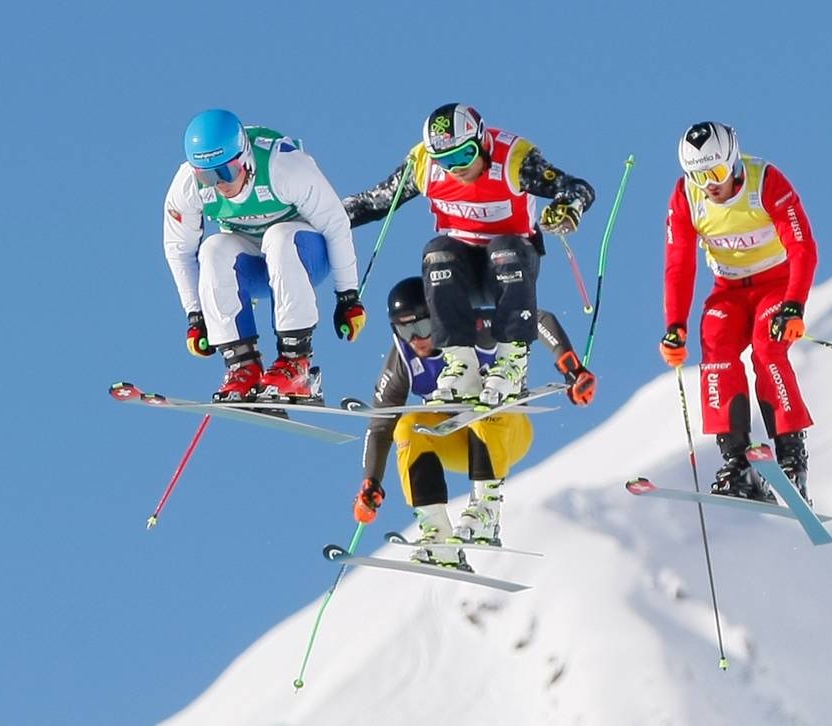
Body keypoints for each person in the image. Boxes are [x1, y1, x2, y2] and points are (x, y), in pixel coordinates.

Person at [343, 103, 595, 406]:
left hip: (510, 268)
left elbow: (577, 188)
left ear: (483, 142)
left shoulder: (513, 161)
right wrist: (320, 217)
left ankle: (511, 361)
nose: (456, 168)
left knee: (505, 247)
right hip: (463, 275)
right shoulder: (424, 165)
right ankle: (460, 364)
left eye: (464, 155)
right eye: (445, 160)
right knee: (437, 251)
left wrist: (566, 209)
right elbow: (375, 201)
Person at [350, 277, 596, 569]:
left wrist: (572, 369)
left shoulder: (475, 327)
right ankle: (437, 534)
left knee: (483, 405)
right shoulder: (404, 358)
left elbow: (539, 319)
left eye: (423, 326)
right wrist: (371, 482)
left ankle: (486, 514)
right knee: (407, 425)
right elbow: (380, 426)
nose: (416, 339)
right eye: (406, 329)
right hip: (459, 443)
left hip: (507, 434)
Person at [660, 122, 818, 502]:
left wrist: (794, 304)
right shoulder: (688, 196)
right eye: (698, 176)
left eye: (714, 173)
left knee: (768, 349)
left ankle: (791, 455)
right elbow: (679, 263)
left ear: (733, 162)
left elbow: (802, 246)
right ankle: (736, 462)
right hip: (729, 290)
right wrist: (675, 326)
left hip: (775, 285)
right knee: (716, 348)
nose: (709, 184)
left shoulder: (765, 182)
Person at [163, 109, 366, 404]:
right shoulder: (188, 186)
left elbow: (336, 224)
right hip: (255, 268)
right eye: (207, 175)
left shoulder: (284, 166)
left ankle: (296, 365)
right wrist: (196, 315)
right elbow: (179, 249)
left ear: (244, 157)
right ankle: (243, 367)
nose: (219, 183)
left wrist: (348, 296)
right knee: (213, 248)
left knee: (279, 236)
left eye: (225, 172)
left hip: (305, 255)